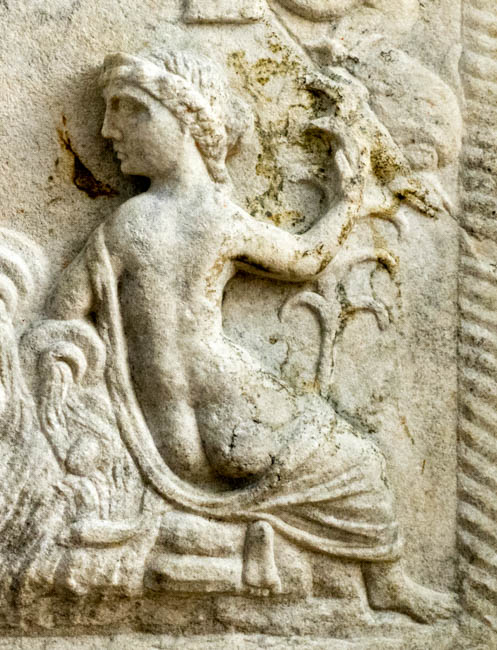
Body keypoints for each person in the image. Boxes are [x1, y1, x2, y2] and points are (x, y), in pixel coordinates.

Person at [49, 49, 457, 622]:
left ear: (188, 120)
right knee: (359, 463)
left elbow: (62, 318)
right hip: (237, 420)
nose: (107, 130)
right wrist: (348, 202)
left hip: (169, 432)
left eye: (131, 110)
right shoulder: (216, 219)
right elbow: (306, 257)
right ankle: (386, 583)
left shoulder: (126, 226)